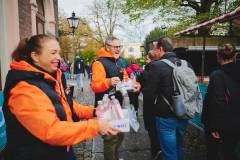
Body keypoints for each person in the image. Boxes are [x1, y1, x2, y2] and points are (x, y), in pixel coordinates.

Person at [2, 34, 119, 160]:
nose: (59, 57)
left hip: (61, 150)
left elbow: (66, 105)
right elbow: (52, 131)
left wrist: (94, 111)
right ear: (35, 56)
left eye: (58, 53)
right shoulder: (24, 89)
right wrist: (96, 126)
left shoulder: (48, 77)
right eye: (53, 53)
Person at [91, 36, 140, 160]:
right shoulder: (99, 63)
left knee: (120, 135)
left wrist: (134, 85)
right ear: (107, 47)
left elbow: (125, 80)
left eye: (119, 46)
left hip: (118, 105)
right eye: (115, 47)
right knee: (110, 139)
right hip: (105, 106)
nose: (118, 49)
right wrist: (108, 82)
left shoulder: (121, 62)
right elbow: (95, 86)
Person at [144, 38, 190, 160]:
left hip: (165, 116)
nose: (154, 52)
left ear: (161, 49)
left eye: (155, 49)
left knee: (169, 152)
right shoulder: (185, 64)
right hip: (184, 113)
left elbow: (148, 95)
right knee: (179, 147)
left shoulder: (157, 66)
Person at [202, 43, 240, 160]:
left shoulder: (217, 75)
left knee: (213, 153)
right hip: (236, 121)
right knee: (229, 151)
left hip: (220, 124)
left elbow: (218, 101)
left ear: (218, 56)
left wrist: (214, 127)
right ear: (234, 56)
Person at [141, 50, 162, 160]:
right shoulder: (162, 68)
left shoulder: (145, 71)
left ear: (148, 59)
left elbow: (140, 88)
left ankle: (155, 150)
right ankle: (160, 149)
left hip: (149, 105)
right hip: (160, 104)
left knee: (151, 128)